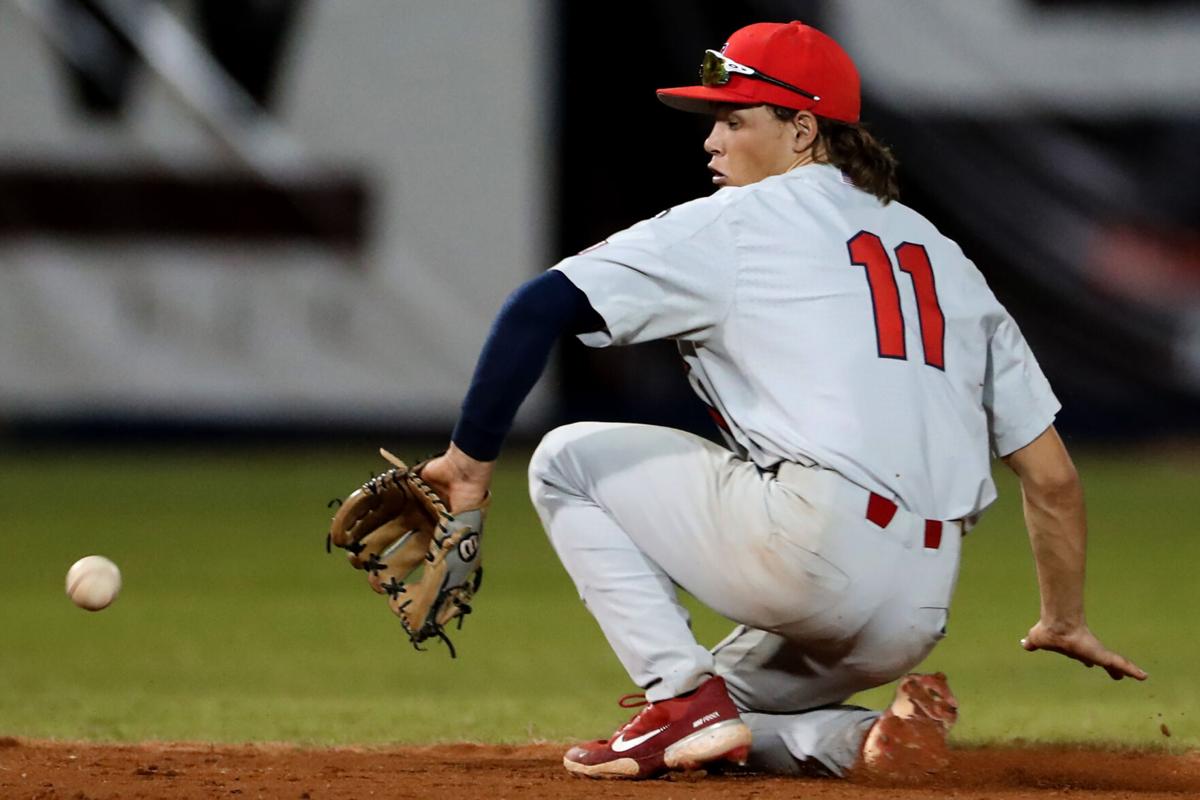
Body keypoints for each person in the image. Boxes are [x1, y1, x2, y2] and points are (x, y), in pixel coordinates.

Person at [417, 20, 1146, 780]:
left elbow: (536, 308)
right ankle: (851, 742)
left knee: (565, 460)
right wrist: (1064, 618)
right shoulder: (943, 255)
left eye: (735, 119)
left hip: (812, 550)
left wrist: (467, 464)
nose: (713, 141)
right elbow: (1053, 477)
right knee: (717, 712)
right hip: (919, 607)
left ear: (802, 130)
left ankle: (680, 700)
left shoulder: (741, 221)